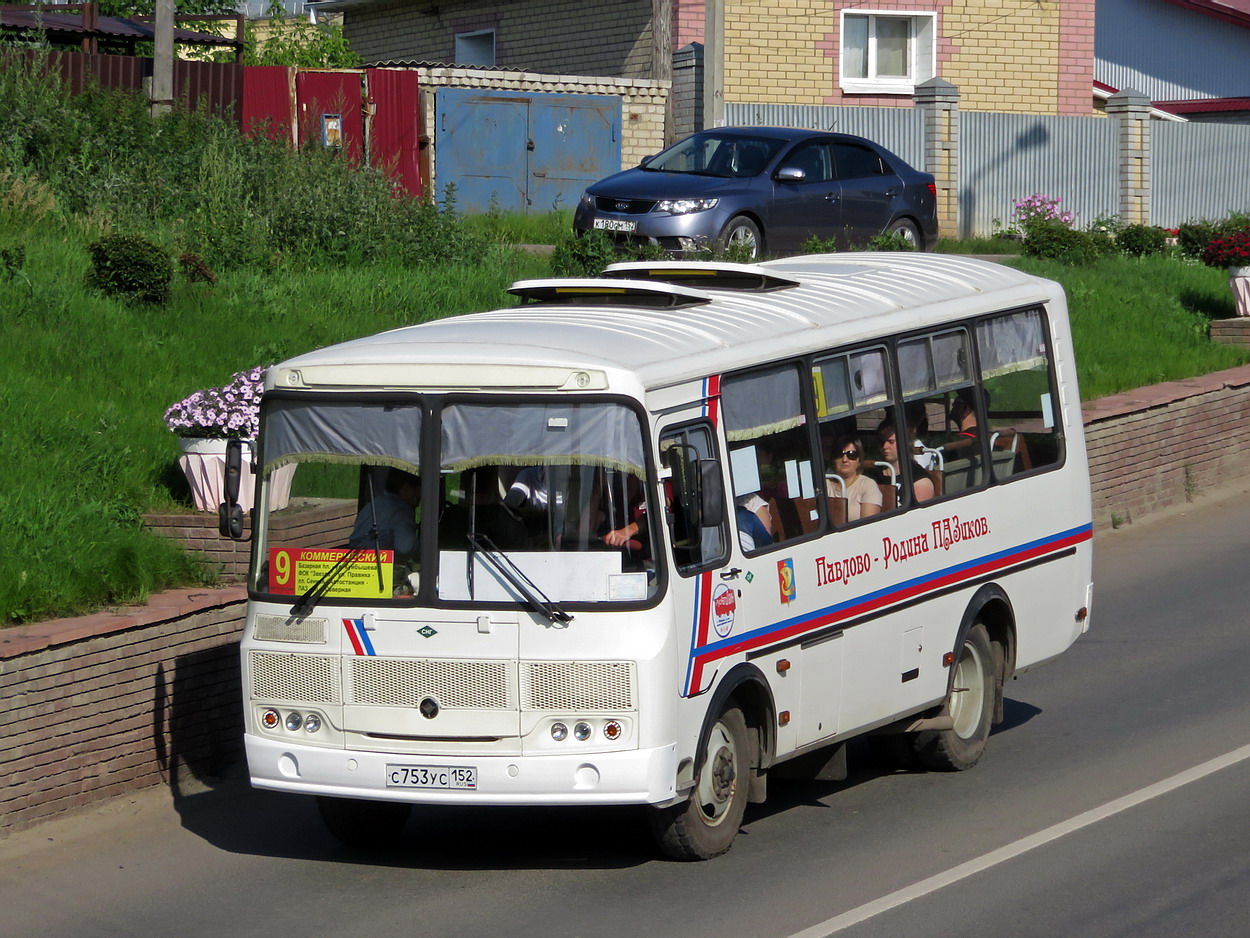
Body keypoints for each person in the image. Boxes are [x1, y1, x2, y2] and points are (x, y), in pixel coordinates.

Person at [348, 468, 420, 559]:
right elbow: (405, 547)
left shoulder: (372, 505)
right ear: (406, 489)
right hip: (382, 569)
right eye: (418, 491)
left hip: (357, 566)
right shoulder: (401, 511)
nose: (420, 497)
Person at [827, 436, 882, 522]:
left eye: (851, 455)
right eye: (839, 454)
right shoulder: (824, 485)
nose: (845, 459)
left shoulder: (868, 485)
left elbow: (868, 526)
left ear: (859, 461)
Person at [878, 422, 935, 503]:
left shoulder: (919, 479)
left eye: (891, 442)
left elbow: (919, 514)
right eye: (882, 442)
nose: (885, 446)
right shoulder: (875, 476)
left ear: (904, 443)